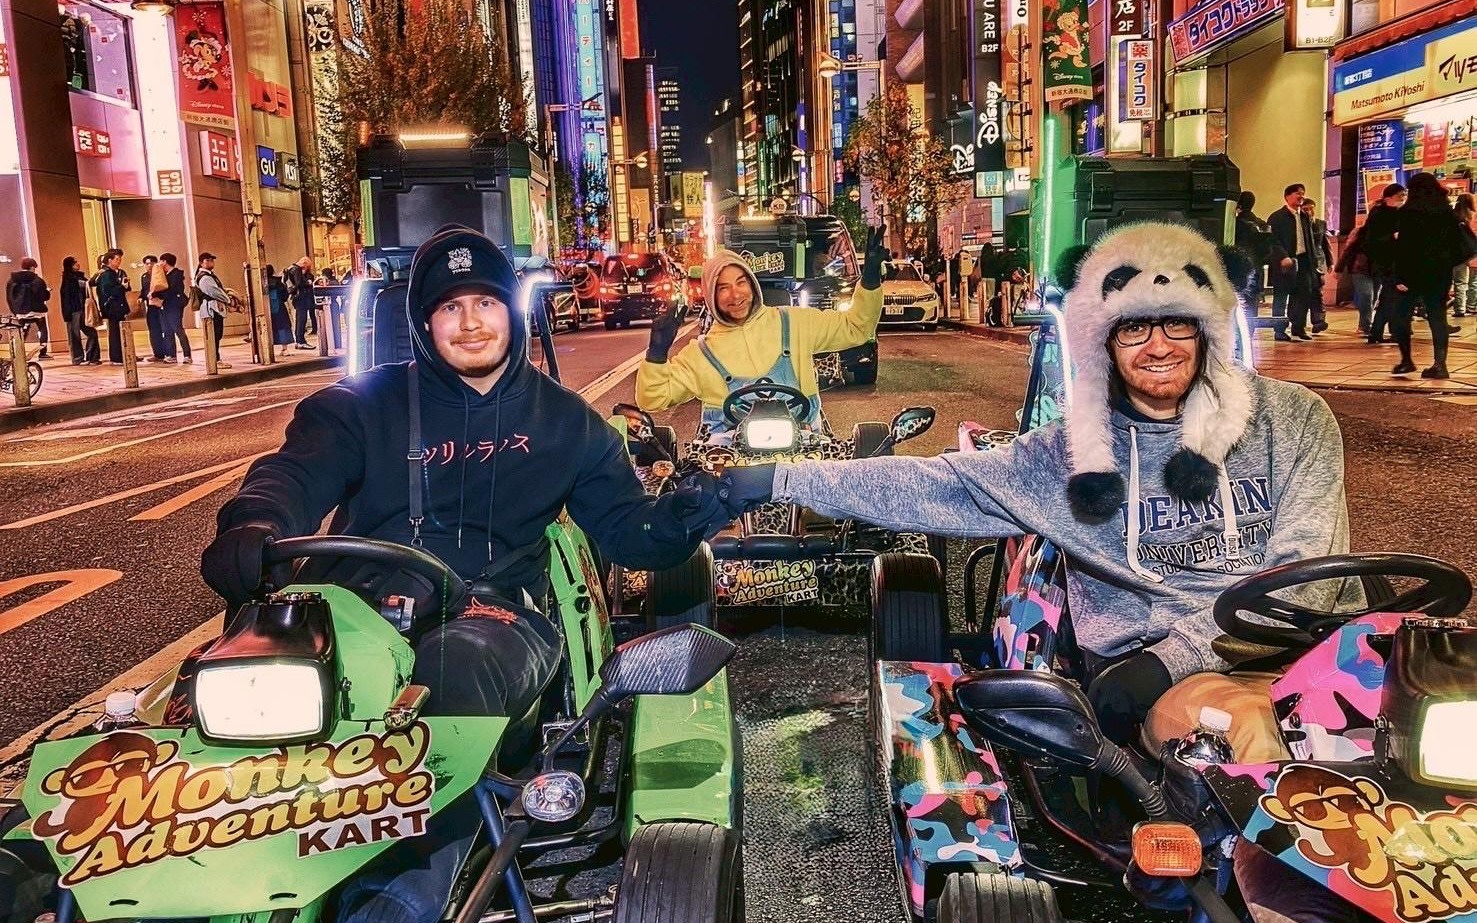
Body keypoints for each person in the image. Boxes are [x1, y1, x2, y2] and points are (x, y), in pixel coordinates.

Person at [704, 222, 1361, 921]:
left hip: (1330, 661)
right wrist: (774, 479)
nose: (1159, 345)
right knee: (1246, 723)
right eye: (1134, 328)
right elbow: (930, 484)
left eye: (1176, 322)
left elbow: (1309, 576)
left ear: (1207, 326)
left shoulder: (1294, 421)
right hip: (1202, 686)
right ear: (1101, 342)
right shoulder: (1066, 458)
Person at [201, 225, 723, 923]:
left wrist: (693, 511)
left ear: (512, 309)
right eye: (449, 307)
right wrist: (254, 521)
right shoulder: (362, 405)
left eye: (485, 302)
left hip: (497, 614)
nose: (470, 322)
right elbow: (293, 472)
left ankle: (392, 903)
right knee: (220, 683)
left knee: (447, 682)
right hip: (354, 609)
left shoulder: (567, 423)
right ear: (424, 322)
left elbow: (633, 533)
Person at [636, 225, 888, 438]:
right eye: (722, 288)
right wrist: (656, 353)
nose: (735, 295)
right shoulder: (701, 354)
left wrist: (870, 279)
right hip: (730, 467)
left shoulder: (794, 322)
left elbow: (857, 328)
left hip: (804, 456)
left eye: (740, 283)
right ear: (711, 296)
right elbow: (653, 399)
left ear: (752, 284)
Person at [1389, 171, 1468, 379]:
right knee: (1437, 317)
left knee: (1400, 316)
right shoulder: (1446, 212)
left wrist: (1400, 277)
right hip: (1439, 273)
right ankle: (1440, 364)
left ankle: (1406, 360)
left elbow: (1404, 247)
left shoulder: (1409, 212)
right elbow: (1455, 245)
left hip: (1413, 272)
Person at [1267, 183, 1319, 341]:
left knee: (1303, 295)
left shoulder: (1304, 216)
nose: (1301, 196)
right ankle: (1279, 330)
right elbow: (1272, 241)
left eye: (1303, 193)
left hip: (1303, 261)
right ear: (1287, 196)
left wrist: (1314, 264)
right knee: (1281, 296)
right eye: (1298, 194)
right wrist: (1282, 256)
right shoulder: (1277, 217)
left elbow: (1310, 241)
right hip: (1284, 263)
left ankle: (1298, 327)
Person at [1362, 183, 1406, 345]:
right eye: (1399, 196)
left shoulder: (1399, 213)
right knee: (1391, 295)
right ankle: (1381, 332)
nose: (1402, 198)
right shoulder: (1378, 214)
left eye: (1404, 195)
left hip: (1397, 261)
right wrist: (1392, 237)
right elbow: (1371, 240)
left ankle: (1378, 332)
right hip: (1384, 261)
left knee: (1389, 296)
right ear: (1389, 197)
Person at [1233, 191, 1274, 331]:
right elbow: (1268, 251)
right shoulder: (1261, 224)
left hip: (1236, 270)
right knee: (1251, 306)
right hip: (1256, 269)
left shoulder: (1234, 224)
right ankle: (1249, 334)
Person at [1334, 222, 1375, 336]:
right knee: (1366, 295)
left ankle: (1368, 324)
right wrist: (1339, 268)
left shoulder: (1387, 232)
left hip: (1379, 270)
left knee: (1373, 298)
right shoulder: (1360, 232)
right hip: (1360, 269)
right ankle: (1364, 326)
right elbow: (1348, 250)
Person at [1298, 198, 1333, 333]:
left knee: (1317, 292)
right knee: (1306, 292)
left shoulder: (1320, 224)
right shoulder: (1299, 224)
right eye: (1305, 209)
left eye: (1311, 208)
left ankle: (1318, 321)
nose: (1309, 211)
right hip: (1304, 262)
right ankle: (1302, 321)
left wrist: (1330, 262)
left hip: (1318, 262)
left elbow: (1325, 244)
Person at [5, 257, 51, 359]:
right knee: (42, 329)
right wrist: (47, 292)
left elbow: (9, 297)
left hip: (20, 311)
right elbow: (43, 296)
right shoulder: (38, 280)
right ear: (31, 267)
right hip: (37, 310)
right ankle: (43, 352)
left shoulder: (12, 280)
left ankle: (18, 352)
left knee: (21, 331)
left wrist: (15, 311)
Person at [193, 252, 233, 369]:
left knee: (216, 335)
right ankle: (214, 360)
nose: (211, 262)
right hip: (211, 309)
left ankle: (215, 359)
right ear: (201, 263)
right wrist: (228, 299)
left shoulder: (208, 275)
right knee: (214, 335)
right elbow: (214, 291)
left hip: (213, 308)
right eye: (207, 260)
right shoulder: (205, 277)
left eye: (212, 260)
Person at [59, 256, 99, 364]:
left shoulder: (79, 277)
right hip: (73, 311)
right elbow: (66, 297)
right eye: (75, 262)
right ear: (70, 265)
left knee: (92, 332)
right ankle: (77, 358)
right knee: (74, 335)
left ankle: (92, 356)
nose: (78, 264)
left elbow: (88, 284)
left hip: (83, 309)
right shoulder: (69, 279)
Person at [92, 249, 129, 364]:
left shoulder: (112, 273)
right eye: (117, 259)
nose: (119, 262)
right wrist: (122, 286)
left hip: (113, 307)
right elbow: (108, 291)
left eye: (120, 259)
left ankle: (118, 356)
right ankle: (117, 357)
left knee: (116, 331)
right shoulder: (107, 274)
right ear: (109, 260)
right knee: (115, 332)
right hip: (113, 307)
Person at [157, 253, 191, 364]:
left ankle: (187, 355)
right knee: (167, 330)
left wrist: (160, 296)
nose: (160, 264)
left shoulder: (176, 274)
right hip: (165, 305)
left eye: (161, 261)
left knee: (178, 329)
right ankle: (171, 355)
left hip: (174, 305)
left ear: (165, 262)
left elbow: (171, 290)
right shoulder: (165, 275)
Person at [1453, 192, 1477, 319]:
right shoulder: (1471, 216)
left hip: (1453, 255)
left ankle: (1459, 308)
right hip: (1468, 255)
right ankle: (1468, 306)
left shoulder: (1453, 215)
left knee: (1458, 282)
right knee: (1469, 282)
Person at [140, 254, 168, 362]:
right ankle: (157, 353)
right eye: (147, 264)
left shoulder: (160, 274)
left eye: (151, 263)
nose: (149, 266)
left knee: (164, 329)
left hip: (160, 304)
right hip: (150, 306)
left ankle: (167, 352)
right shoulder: (144, 276)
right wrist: (141, 297)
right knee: (153, 330)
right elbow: (144, 290)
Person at [285, 256, 316, 349]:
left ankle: (299, 341)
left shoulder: (290, 268)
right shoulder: (297, 270)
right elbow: (299, 283)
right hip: (301, 298)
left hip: (295, 297)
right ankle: (300, 341)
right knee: (302, 319)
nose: (307, 269)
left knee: (300, 319)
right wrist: (308, 282)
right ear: (305, 263)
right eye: (308, 266)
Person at [264, 264, 294, 347]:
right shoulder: (278, 282)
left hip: (266, 308)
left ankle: (269, 348)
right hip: (279, 307)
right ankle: (284, 348)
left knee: (269, 328)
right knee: (282, 326)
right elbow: (285, 296)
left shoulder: (261, 284)